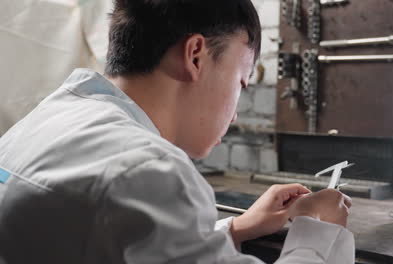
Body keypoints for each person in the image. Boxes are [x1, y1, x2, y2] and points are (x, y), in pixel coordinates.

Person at [0, 0, 354, 263]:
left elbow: (113, 239)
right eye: (241, 82)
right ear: (196, 55)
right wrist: (318, 229)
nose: (233, 117)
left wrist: (235, 228)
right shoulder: (149, 171)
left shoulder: (45, 120)